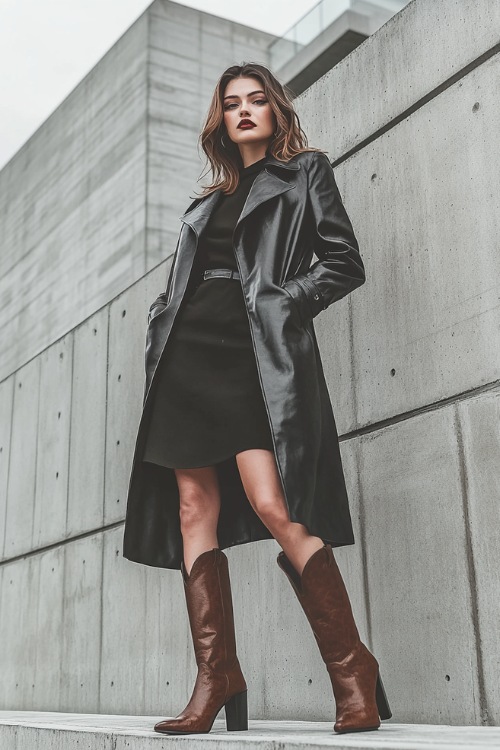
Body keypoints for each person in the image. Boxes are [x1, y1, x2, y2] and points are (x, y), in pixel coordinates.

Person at [122, 62, 391, 735]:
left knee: (275, 503)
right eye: (232, 103)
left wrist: (280, 301)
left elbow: (343, 260)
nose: (244, 111)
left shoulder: (305, 173)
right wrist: (160, 330)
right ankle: (217, 678)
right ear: (221, 119)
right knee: (193, 509)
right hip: (188, 359)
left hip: (253, 355)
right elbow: (177, 289)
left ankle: (353, 669)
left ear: (275, 110)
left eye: (256, 101)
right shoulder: (202, 203)